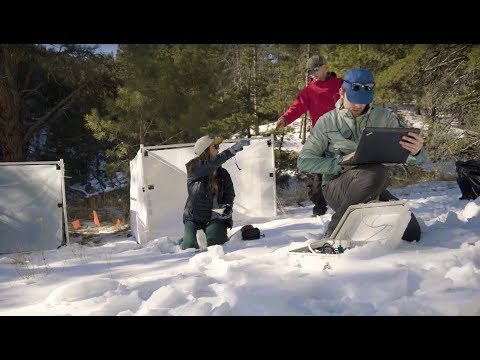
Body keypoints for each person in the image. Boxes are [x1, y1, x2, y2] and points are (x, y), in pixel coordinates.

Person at [297, 68, 427, 241]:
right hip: (337, 187)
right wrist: (339, 162)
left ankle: (367, 213)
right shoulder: (327, 121)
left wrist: (417, 152)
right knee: (377, 172)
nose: (358, 105)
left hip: (371, 185)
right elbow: (304, 161)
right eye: (353, 99)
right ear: (341, 92)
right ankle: (335, 230)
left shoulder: (385, 117)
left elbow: (414, 156)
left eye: (363, 101)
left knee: (411, 232)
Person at [276, 54, 343, 216]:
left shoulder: (341, 84)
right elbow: (297, 107)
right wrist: (285, 119)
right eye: (309, 72)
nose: (312, 74)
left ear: (324, 67)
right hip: (320, 136)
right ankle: (319, 209)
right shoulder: (309, 90)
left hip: (342, 134)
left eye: (315, 69)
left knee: (344, 169)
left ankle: (347, 203)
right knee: (319, 173)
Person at [180, 135, 251, 250]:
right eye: (215, 146)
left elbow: (229, 194)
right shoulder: (194, 167)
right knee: (189, 246)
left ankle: (209, 236)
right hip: (194, 216)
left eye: (218, 146)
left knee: (215, 243)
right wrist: (232, 150)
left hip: (215, 215)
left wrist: (227, 206)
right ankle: (187, 239)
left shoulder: (223, 174)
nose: (218, 149)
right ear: (205, 150)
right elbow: (211, 164)